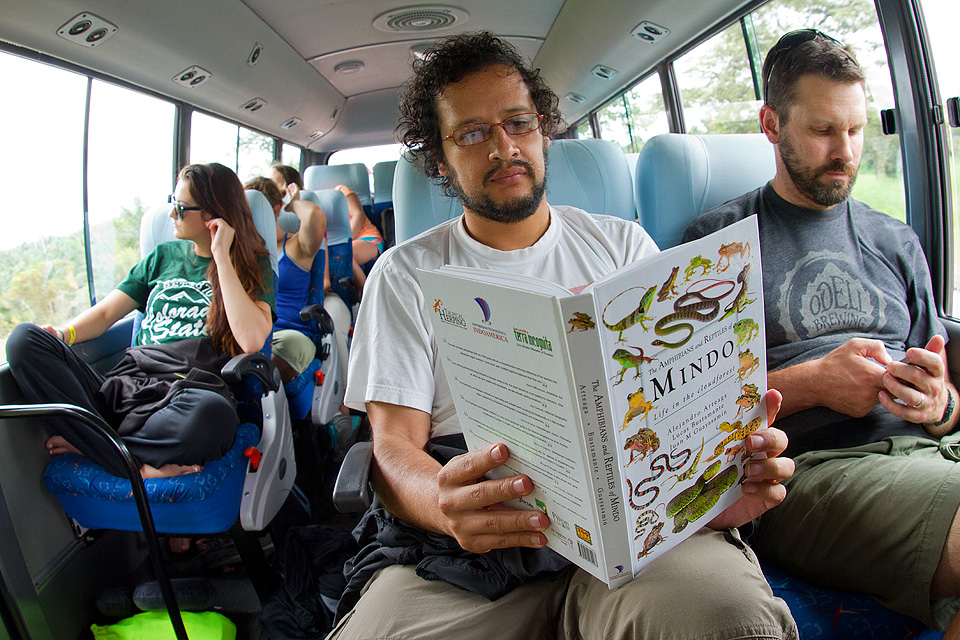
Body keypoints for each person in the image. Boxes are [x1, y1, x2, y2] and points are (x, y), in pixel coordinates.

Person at [334, 32, 797, 640]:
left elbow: (670, 406)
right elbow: (393, 448)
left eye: (518, 122)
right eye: (472, 133)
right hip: (469, 537)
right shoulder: (405, 274)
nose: (504, 147)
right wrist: (444, 506)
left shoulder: (623, 247)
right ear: (441, 162)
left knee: (732, 622)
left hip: (630, 518)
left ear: (543, 130)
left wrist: (715, 491)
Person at [682, 29, 960, 634]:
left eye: (856, 130)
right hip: (808, 474)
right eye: (822, 131)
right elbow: (685, 414)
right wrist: (812, 384)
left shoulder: (896, 239)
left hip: (930, 451)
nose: (846, 152)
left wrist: (938, 402)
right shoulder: (715, 247)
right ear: (772, 124)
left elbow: (947, 395)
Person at [6, 162, 274, 480]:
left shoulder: (251, 265)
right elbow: (106, 313)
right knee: (24, 339)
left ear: (211, 215)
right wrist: (65, 333)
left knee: (213, 417)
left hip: (188, 393)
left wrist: (221, 257)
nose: (171, 213)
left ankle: (97, 445)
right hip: (126, 387)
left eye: (180, 207)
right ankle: (134, 463)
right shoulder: (162, 257)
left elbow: (252, 341)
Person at [268, 163, 352, 390]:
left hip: (323, 297)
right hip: (269, 329)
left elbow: (324, 282)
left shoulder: (299, 241)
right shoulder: (251, 251)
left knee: (334, 324)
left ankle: (344, 403)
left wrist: (293, 202)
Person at [244, 176, 327, 384]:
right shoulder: (243, 252)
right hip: (254, 334)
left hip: (290, 334)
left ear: (272, 211)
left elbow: (315, 215)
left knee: (276, 353)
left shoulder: (296, 246)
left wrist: (293, 203)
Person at [334, 183, 383, 291]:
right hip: (344, 242)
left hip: (368, 238)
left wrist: (346, 241)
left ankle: (366, 293)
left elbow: (358, 215)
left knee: (345, 253)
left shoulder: (341, 191)